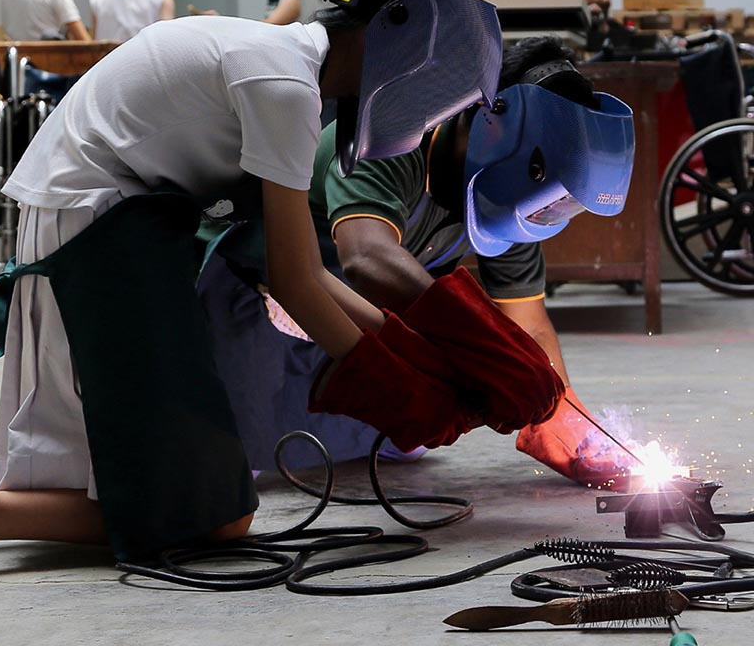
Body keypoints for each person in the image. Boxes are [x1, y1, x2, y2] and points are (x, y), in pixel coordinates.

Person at [0, 0, 559, 561]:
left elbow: (306, 272)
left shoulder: (286, 66)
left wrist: (427, 359)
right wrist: (410, 387)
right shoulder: (284, 85)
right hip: (94, 229)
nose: (427, 106)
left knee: (204, 508)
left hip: (121, 224)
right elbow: (296, 281)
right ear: (391, 36)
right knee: (215, 515)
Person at [197, 36, 624, 486]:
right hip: (253, 285)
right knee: (236, 456)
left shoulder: (510, 203)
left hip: (346, 310)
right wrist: (481, 340)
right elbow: (368, 257)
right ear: (488, 122)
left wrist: (558, 417)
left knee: (411, 434)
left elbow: (528, 325)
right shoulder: (389, 137)